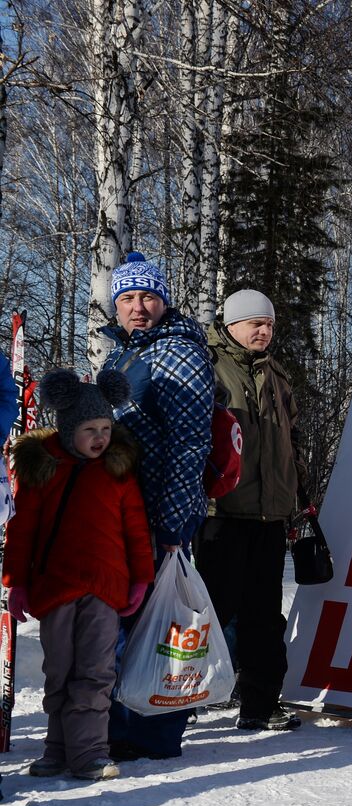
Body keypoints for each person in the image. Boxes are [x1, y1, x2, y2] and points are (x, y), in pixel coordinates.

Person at [3, 370, 153, 781]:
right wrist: (16, 581)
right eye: (90, 430)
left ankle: (90, 753)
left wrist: (141, 577)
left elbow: (136, 529)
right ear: (69, 429)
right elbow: (22, 529)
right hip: (55, 588)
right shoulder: (44, 469)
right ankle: (57, 749)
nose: (101, 438)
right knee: (59, 671)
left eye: (105, 427)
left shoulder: (117, 470)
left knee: (96, 672)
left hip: (105, 589)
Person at [100, 251, 215, 760]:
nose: (138, 307)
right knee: (129, 621)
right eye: (127, 298)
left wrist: (172, 523)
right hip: (123, 510)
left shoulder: (180, 353)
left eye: (147, 296)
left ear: (164, 300)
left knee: (157, 624)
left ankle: (150, 733)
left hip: (158, 512)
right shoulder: (121, 354)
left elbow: (190, 445)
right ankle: (126, 724)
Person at [197, 289, 307, 731]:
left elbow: (291, 442)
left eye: (270, 324)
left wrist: (299, 495)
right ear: (232, 325)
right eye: (255, 323)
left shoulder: (277, 375)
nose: (264, 331)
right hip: (221, 512)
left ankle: (260, 704)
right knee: (210, 612)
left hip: (270, 513)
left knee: (264, 615)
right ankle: (179, 698)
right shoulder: (207, 365)